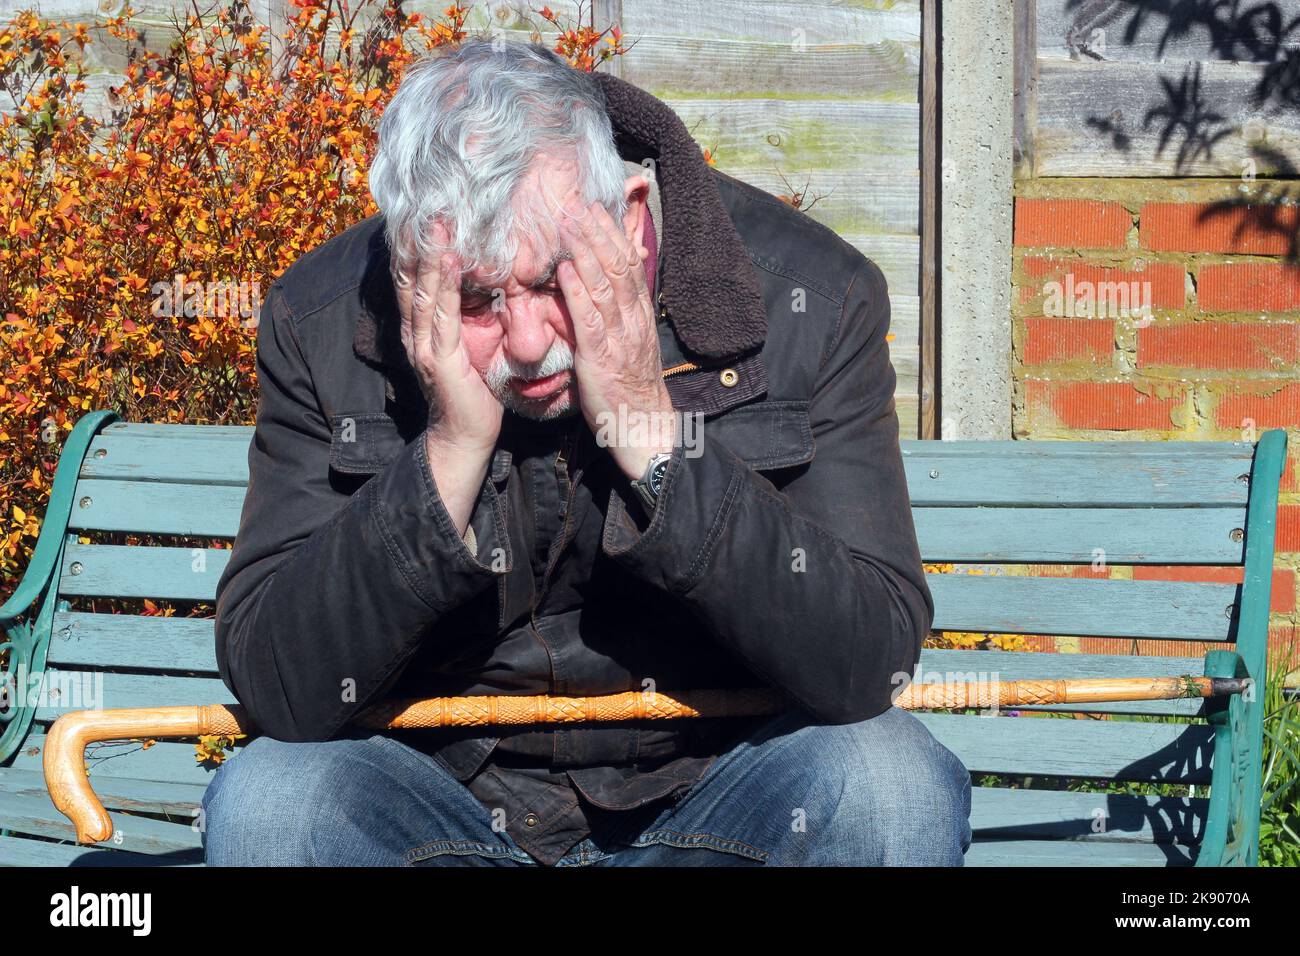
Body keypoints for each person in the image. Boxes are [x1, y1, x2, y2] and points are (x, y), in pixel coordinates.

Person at [203, 37, 972, 866]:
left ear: (631, 212)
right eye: (477, 299)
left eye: (550, 282)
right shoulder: (317, 320)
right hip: (438, 810)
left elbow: (867, 663)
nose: (529, 344)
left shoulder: (816, 297)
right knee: (273, 805)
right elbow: (278, 683)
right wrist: (449, 451)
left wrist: (651, 432)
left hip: (721, 800)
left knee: (889, 786)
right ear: (408, 265)